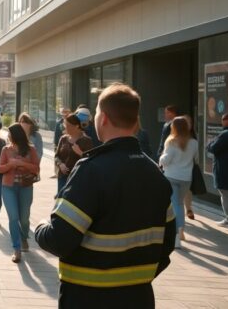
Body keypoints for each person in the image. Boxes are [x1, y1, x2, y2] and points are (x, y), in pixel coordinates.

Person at [35, 83, 176, 308]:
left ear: (104, 119)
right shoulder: (155, 173)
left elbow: (59, 239)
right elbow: (167, 243)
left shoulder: (91, 170)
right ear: (135, 121)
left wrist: (41, 227)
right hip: (139, 297)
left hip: (87, 297)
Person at [0, 123, 41, 263]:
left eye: (9, 133)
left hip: (25, 187)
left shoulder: (30, 149)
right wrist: (10, 165)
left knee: (24, 218)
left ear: (16, 135)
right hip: (8, 187)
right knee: (13, 217)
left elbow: (36, 169)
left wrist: (21, 164)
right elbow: (0, 169)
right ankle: (16, 248)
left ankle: (24, 237)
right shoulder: (6, 149)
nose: (8, 136)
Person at [159, 116, 197, 248]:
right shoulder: (193, 142)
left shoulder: (171, 142)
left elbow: (166, 160)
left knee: (175, 205)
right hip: (186, 178)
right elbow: (195, 159)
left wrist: (161, 160)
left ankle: (177, 233)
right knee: (179, 204)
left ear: (174, 127)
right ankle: (180, 229)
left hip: (171, 176)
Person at [55, 114, 95, 194]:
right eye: (64, 125)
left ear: (76, 126)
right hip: (62, 177)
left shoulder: (87, 140)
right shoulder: (63, 139)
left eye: (68, 125)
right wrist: (60, 164)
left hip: (78, 178)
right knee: (61, 201)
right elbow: (57, 156)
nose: (65, 127)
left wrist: (80, 153)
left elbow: (91, 160)